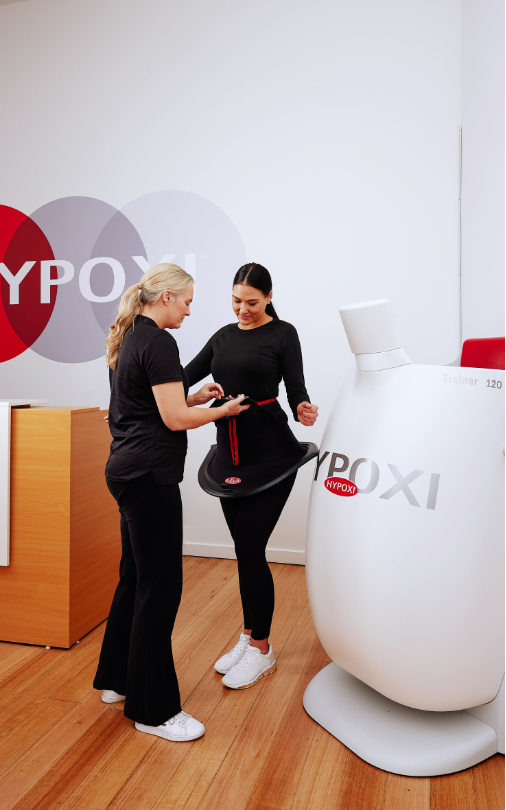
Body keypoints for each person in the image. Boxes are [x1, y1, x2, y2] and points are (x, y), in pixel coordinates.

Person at [93, 263, 249, 742]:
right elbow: (175, 419)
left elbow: (150, 404)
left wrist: (195, 396)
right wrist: (221, 410)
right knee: (160, 588)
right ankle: (154, 710)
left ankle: (118, 680)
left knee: (135, 578)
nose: (188, 311)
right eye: (186, 302)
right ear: (166, 297)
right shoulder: (160, 342)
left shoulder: (130, 337)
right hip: (149, 476)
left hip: (125, 470)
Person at [185, 262, 318, 690]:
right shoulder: (222, 337)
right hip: (230, 457)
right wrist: (141, 397)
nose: (243, 309)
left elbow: (295, 388)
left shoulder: (283, 333)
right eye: (236, 301)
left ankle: (262, 649)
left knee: (249, 546)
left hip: (272, 457)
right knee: (244, 552)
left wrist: (303, 408)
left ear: (269, 297)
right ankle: (248, 635)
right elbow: (181, 378)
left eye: (252, 302)